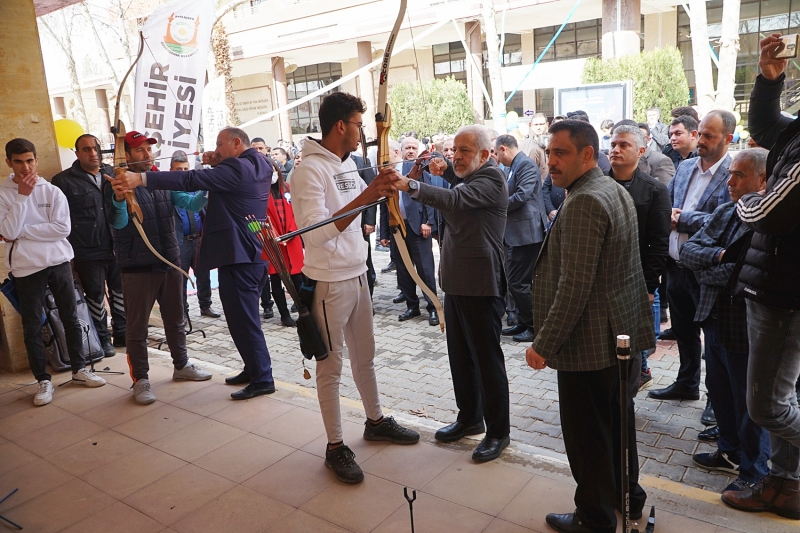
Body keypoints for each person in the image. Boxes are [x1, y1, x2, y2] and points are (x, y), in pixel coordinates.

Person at [526, 120, 653, 533]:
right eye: (549, 152)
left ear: (586, 154)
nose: (551, 161)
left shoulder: (585, 200)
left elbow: (574, 285)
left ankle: (594, 519)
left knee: (588, 438)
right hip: (618, 338)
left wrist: (543, 344)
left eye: (560, 153)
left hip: (590, 343)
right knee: (617, 428)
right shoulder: (611, 188)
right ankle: (628, 499)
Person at [291, 92, 420, 484]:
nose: (364, 131)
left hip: (357, 272)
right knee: (331, 366)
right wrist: (369, 193)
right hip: (329, 281)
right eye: (360, 124)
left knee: (366, 356)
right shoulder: (309, 171)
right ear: (340, 126)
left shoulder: (347, 163)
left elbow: (355, 212)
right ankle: (334, 446)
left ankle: (375, 421)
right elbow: (316, 235)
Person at [113, 128, 277, 401]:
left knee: (246, 322)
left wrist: (140, 178)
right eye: (139, 149)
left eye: (220, 144)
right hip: (243, 253)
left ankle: (263, 378)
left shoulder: (237, 167)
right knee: (239, 320)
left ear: (237, 143)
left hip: (240, 256)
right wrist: (219, 159)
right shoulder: (259, 161)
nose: (216, 149)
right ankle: (254, 368)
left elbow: (191, 178)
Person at [393, 125, 511, 463]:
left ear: (485, 155)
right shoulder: (475, 176)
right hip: (458, 279)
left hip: (481, 283)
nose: (454, 156)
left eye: (463, 151)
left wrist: (411, 185)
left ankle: (498, 432)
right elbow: (461, 189)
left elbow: (458, 199)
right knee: (460, 355)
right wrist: (446, 174)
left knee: (487, 361)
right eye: (453, 150)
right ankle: (470, 417)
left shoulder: (491, 179)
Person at [721, 33, 800, 518]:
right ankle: (784, 485)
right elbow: (769, 125)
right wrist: (770, 81)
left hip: (785, 295)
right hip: (775, 284)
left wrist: (745, 200)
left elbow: (769, 211)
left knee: (767, 406)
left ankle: (783, 480)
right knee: (780, 396)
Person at [680, 147, 770, 494]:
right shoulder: (726, 211)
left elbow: (748, 274)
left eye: (739, 175)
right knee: (719, 392)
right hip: (714, 316)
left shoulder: (770, 220)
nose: (729, 182)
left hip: (747, 325)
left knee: (749, 403)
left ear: (763, 180)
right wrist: (718, 256)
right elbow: (690, 252)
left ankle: (754, 472)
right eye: (730, 173)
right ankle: (729, 452)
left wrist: (714, 268)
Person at [105, 131, 212, 404]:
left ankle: (181, 365)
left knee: (175, 320)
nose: (147, 154)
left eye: (149, 150)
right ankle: (140, 379)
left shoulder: (159, 179)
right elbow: (117, 223)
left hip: (168, 259)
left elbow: (192, 203)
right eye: (140, 150)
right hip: (137, 266)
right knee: (137, 328)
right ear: (125, 156)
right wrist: (119, 199)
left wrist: (209, 182)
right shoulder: (118, 183)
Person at [1, 138, 107, 405]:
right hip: (26, 268)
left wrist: (21, 234)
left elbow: (62, 229)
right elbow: (7, 232)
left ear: (36, 160)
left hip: (58, 263)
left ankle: (79, 369)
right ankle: (43, 381)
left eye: (29, 160)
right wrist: (22, 197)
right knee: (32, 326)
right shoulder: (3, 194)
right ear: (9, 163)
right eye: (18, 162)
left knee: (71, 317)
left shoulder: (52, 191)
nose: (25, 167)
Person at [648, 111, 734, 407]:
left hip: (707, 271)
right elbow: (667, 203)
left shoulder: (733, 173)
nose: (702, 140)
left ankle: (717, 401)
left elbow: (726, 220)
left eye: (710, 136)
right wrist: (668, 214)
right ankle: (686, 383)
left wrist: (683, 219)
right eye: (701, 134)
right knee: (683, 330)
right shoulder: (684, 167)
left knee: (713, 341)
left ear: (728, 139)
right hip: (675, 265)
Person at [607, 125, 670, 391]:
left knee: (633, 342)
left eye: (624, 145)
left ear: (641, 151)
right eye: (613, 145)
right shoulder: (596, 184)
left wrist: (648, 287)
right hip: (603, 281)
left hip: (635, 281)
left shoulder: (653, 190)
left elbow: (658, 243)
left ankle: (631, 387)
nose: (615, 150)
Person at [52, 134, 124, 356]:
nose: (93, 153)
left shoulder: (112, 174)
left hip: (117, 245)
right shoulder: (63, 181)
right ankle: (102, 339)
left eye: (96, 149)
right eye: (86, 149)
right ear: (77, 153)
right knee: (94, 296)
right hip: (87, 250)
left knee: (120, 292)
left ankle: (123, 332)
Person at [495, 134, 546, 343]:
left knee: (519, 282)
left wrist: (497, 206)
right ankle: (525, 323)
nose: (497, 158)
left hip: (527, 234)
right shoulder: (514, 166)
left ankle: (534, 327)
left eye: (496, 153)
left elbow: (522, 196)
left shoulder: (525, 165)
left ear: (504, 148)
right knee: (516, 282)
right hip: (518, 233)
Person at [384, 139, 439, 326]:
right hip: (397, 228)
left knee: (425, 269)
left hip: (418, 226)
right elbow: (385, 205)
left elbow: (429, 195)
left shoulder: (417, 168)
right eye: (406, 147)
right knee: (404, 269)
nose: (410, 151)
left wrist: (428, 222)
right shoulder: (387, 172)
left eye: (413, 148)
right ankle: (412, 306)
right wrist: (384, 232)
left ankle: (433, 308)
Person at [169, 151, 219, 319]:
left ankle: (205, 305)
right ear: (171, 170)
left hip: (198, 239)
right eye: (178, 169)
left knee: (203, 274)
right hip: (180, 241)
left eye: (185, 169)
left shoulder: (196, 187)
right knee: (180, 279)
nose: (183, 173)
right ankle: (183, 311)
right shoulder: (169, 191)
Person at [264, 160, 303, 326]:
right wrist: (272, 234)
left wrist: (292, 232)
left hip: (292, 239)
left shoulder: (288, 187)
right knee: (276, 280)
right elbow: (259, 220)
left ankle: (304, 311)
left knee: (298, 280)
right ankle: (284, 314)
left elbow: (298, 213)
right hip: (272, 243)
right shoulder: (259, 193)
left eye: (273, 170)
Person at [350, 149, 377, 297]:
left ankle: (368, 298)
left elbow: (372, 194)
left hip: (361, 224)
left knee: (365, 262)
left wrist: (370, 221)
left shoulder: (363, 162)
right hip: (341, 225)